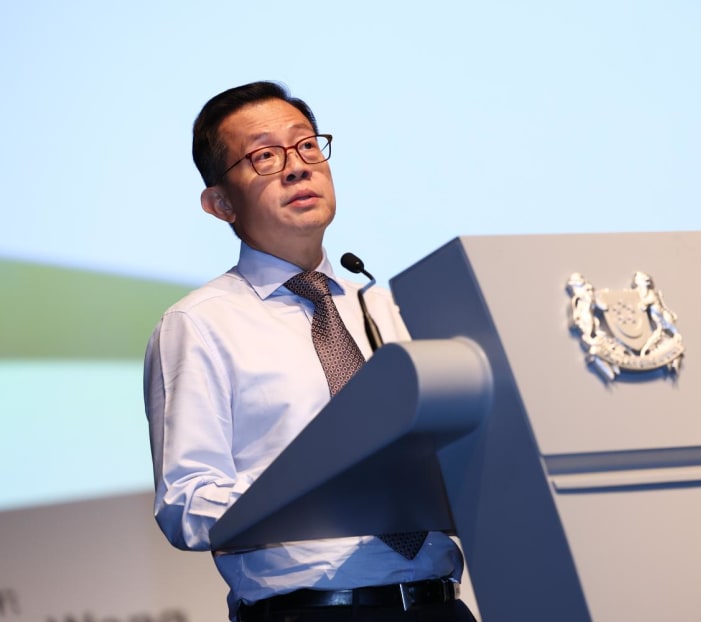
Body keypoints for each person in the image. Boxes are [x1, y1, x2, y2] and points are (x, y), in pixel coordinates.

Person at [143, 81, 476, 622]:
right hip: (310, 613)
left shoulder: (387, 306)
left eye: (306, 146)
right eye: (265, 156)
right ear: (220, 202)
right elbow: (187, 507)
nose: (297, 167)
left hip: (439, 605)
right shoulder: (199, 324)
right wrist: (313, 485)